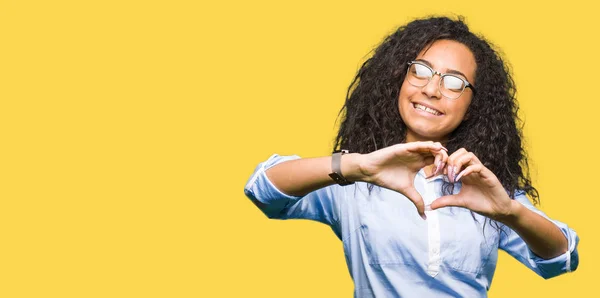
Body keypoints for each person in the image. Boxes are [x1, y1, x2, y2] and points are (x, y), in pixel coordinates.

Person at [243, 16, 579, 297]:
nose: (432, 89)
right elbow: (263, 190)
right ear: (398, 80)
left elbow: (562, 257)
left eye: (453, 82)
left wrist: (509, 211)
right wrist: (357, 166)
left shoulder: (482, 187)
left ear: (474, 104)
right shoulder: (360, 177)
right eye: (420, 70)